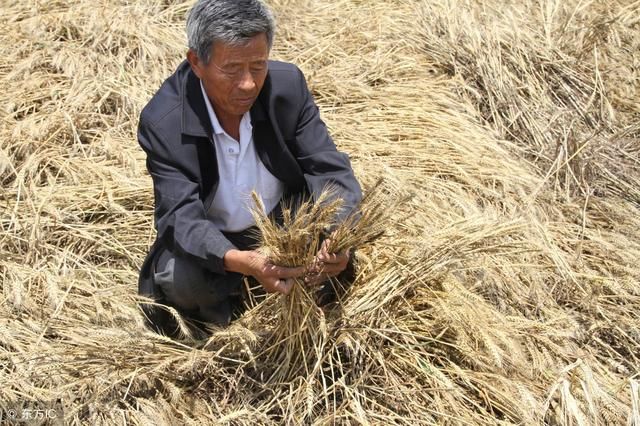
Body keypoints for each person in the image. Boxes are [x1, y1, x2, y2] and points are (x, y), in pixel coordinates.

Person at [137, 0, 362, 334]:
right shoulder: (165, 121)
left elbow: (329, 170)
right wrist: (240, 261)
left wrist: (338, 237)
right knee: (181, 279)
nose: (247, 84)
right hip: (218, 239)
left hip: (284, 222)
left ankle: (298, 306)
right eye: (231, 69)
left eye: (258, 66)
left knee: (330, 261)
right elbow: (179, 217)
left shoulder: (287, 89)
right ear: (197, 62)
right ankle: (220, 324)